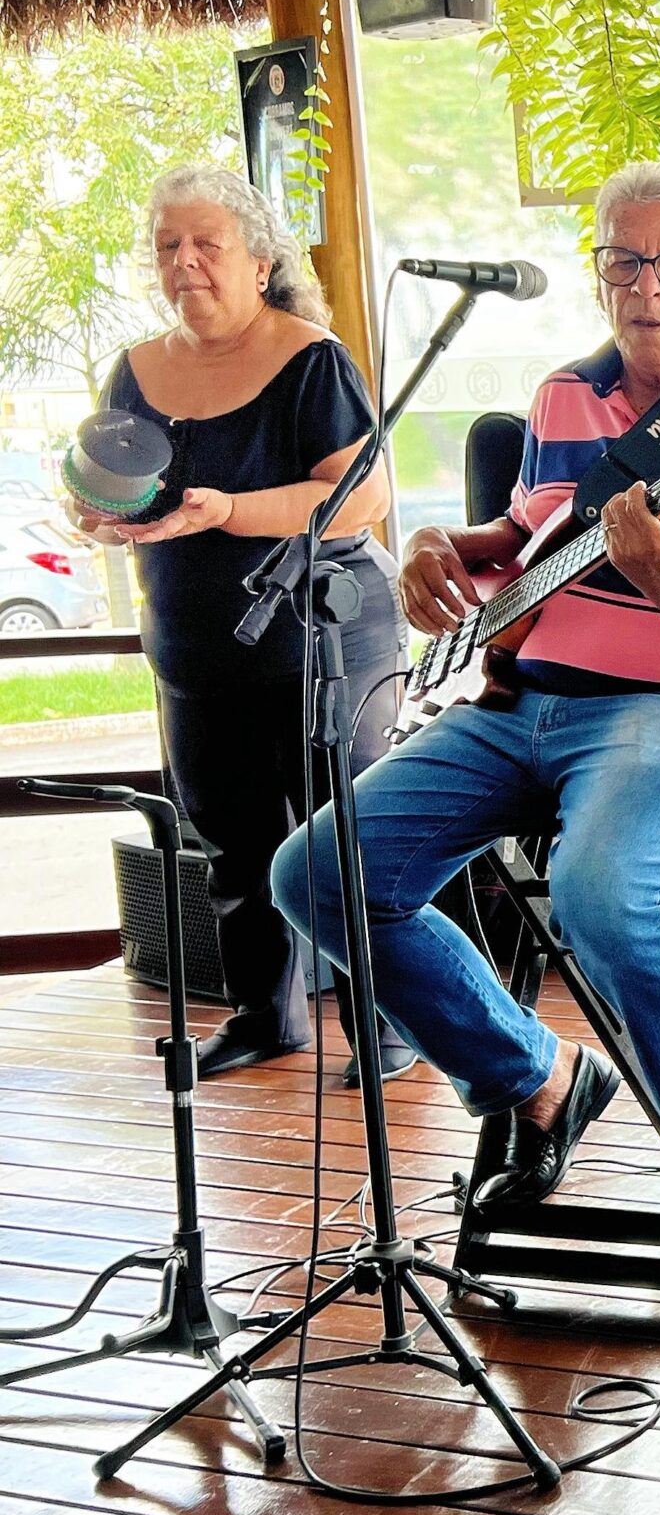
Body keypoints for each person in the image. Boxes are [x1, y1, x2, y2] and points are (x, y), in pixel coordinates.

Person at [274, 161, 660, 1240]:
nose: (647, 287)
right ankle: (533, 1080)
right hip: (519, 701)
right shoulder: (562, 398)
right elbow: (533, 540)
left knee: (598, 886)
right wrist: (445, 544)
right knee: (319, 871)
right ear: (598, 278)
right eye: (623, 262)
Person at [67, 165, 408, 1082]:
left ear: (259, 262)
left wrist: (225, 510)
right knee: (228, 841)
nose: (185, 263)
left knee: (349, 838)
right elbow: (114, 480)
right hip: (193, 641)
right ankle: (267, 1013)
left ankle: (394, 1020)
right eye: (168, 245)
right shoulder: (135, 369)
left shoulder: (309, 355)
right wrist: (96, 513)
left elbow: (359, 498)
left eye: (206, 244)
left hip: (323, 639)